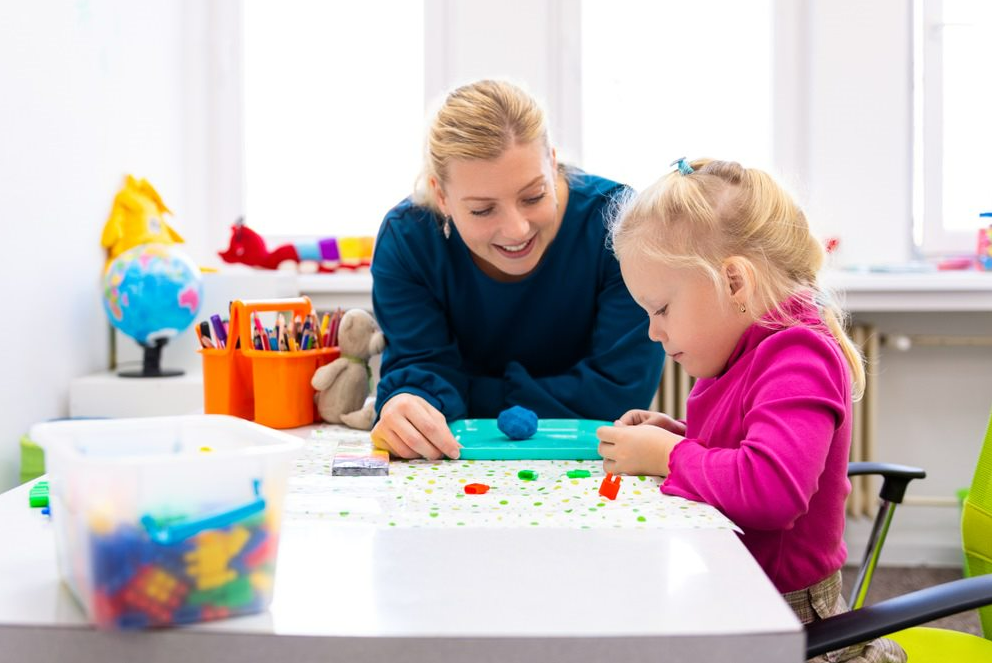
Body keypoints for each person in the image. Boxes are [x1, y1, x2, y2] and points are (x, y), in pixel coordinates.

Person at [597, 158, 906, 663]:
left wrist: (671, 456)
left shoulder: (800, 355)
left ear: (734, 282)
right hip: (737, 598)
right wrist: (672, 433)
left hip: (794, 628)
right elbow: (745, 444)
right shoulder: (744, 347)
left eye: (661, 309)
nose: (653, 332)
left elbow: (771, 489)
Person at [370, 79, 664, 461]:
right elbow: (420, 373)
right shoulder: (408, 240)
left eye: (534, 196)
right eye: (482, 209)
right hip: (458, 467)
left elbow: (619, 394)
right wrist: (408, 405)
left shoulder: (621, 224)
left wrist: (465, 394)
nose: (517, 230)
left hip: (593, 463)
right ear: (441, 196)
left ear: (553, 162)